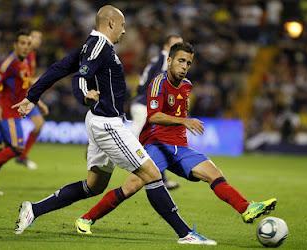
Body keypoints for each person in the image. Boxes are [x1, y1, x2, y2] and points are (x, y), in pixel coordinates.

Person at [13, 5, 216, 245]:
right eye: (122, 25)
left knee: (94, 186)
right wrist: (84, 95)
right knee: (151, 173)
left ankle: (33, 210)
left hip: (104, 121)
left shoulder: (93, 45)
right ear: (110, 23)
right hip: (107, 124)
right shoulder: (98, 46)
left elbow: (60, 68)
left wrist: (31, 96)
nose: (124, 30)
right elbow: (80, 77)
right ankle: (185, 234)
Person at [74, 42, 277, 236]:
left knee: (213, 173)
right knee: (130, 187)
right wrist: (184, 121)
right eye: (181, 61)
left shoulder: (187, 85)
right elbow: (153, 116)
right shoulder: (158, 83)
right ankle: (86, 218)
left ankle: (246, 208)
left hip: (180, 148)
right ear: (169, 61)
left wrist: (182, 125)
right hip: (156, 145)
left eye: (188, 63)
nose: (185, 66)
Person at [131, 35, 183, 190]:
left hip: (143, 104)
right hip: (145, 106)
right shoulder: (166, 59)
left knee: (156, 142)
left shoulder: (158, 60)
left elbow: (143, 85)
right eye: (176, 45)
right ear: (167, 46)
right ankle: (103, 145)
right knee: (134, 139)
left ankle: (162, 179)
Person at [0, 30, 32, 195]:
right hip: (6, 111)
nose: (25, 47)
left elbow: (25, 87)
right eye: (22, 43)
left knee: (5, 148)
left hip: (14, 112)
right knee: (17, 148)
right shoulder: (9, 63)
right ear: (15, 44)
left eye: (28, 44)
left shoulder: (24, 62)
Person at [15, 30, 49, 170]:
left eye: (40, 37)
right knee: (4, 135)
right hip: (17, 96)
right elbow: (23, 78)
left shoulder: (32, 55)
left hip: (26, 96)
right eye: (35, 37)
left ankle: (22, 157)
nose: (38, 40)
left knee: (39, 124)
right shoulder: (25, 54)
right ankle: (21, 156)